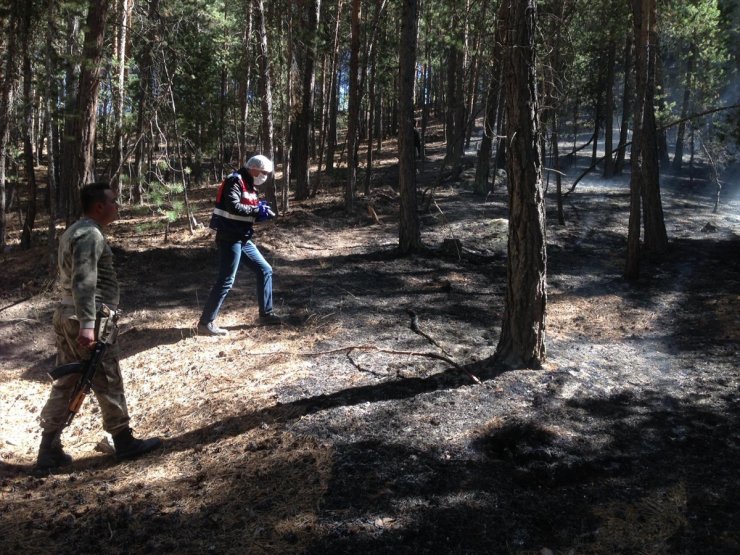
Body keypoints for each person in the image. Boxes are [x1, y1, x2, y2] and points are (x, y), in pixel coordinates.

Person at [36, 183, 161, 470]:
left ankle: (48, 447)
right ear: (99, 206)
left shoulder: (73, 231)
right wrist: (88, 325)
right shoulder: (89, 234)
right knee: (107, 377)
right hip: (88, 316)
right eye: (114, 202)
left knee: (68, 380)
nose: (118, 206)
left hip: (68, 313)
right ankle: (124, 440)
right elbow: (84, 280)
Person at [197, 155, 281, 336]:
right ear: (254, 168)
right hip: (229, 238)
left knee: (265, 269)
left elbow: (246, 211)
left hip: (242, 238)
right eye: (264, 172)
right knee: (226, 280)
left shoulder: (249, 184)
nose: (265, 176)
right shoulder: (235, 180)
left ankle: (266, 314)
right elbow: (233, 206)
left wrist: (261, 213)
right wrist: (256, 210)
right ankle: (206, 323)